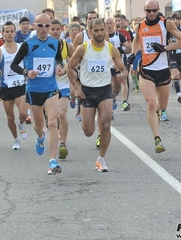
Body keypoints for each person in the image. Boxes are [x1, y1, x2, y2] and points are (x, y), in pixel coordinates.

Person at [67, 18, 128, 172]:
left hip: (104, 90)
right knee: (88, 131)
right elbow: (69, 68)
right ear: (90, 32)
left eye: (102, 30)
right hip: (87, 91)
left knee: (106, 124)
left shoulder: (111, 49)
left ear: (105, 31)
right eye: (96, 30)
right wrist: (76, 87)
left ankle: (101, 159)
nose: (100, 33)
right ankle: (92, 123)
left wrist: (123, 75)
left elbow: (123, 68)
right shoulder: (83, 48)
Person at [129, 0, 181, 153]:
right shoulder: (140, 26)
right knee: (151, 104)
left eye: (154, 10)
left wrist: (164, 48)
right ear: (144, 10)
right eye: (149, 11)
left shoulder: (166, 23)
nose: (152, 13)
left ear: (159, 10)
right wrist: (133, 54)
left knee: (162, 106)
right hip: (146, 70)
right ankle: (157, 139)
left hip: (163, 70)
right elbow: (136, 42)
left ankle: (158, 115)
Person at [10, 13, 64, 175]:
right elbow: (14, 65)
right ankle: (40, 137)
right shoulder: (28, 44)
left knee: (53, 123)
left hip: (51, 88)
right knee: (38, 126)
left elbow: (59, 60)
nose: (44, 29)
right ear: (35, 26)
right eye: (40, 26)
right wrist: (26, 71)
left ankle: (52, 161)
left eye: (47, 26)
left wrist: (60, 67)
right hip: (34, 90)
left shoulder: (56, 43)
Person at [0, 21, 28, 150]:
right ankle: (16, 139)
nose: (10, 34)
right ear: (3, 33)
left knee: (23, 113)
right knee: (10, 117)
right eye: (7, 31)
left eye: (12, 31)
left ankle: (22, 124)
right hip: (6, 87)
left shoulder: (21, 47)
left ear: (15, 32)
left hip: (20, 85)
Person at [50, 19, 74, 160]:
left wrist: (68, 69)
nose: (54, 31)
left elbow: (75, 61)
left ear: (61, 30)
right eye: (52, 29)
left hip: (63, 85)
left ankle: (63, 144)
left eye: (57, 29)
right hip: (48, 86)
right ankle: (46, 135)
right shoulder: (43, 47)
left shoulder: (67, 46)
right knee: (51, 119)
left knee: (62, 114)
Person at [168, 13, 181, 109]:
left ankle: (175, 83)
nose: (175, 21)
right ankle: (179, 95)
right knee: (175, 75)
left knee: (180, 76)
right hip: (172, 56)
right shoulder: (168, 31)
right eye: (173, 19)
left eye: (176, 19)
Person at [114, 13, 132, 111]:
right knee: (113, 82)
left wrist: (124, 51)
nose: (117, 22)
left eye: (118, 20)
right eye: (115, 21)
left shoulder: (124, 33)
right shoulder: (104, 34)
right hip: (109, 62)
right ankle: (112, 98)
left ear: (122, 21)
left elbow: (129, 45)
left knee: (124, 79)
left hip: (122, 59)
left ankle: (125, 101)